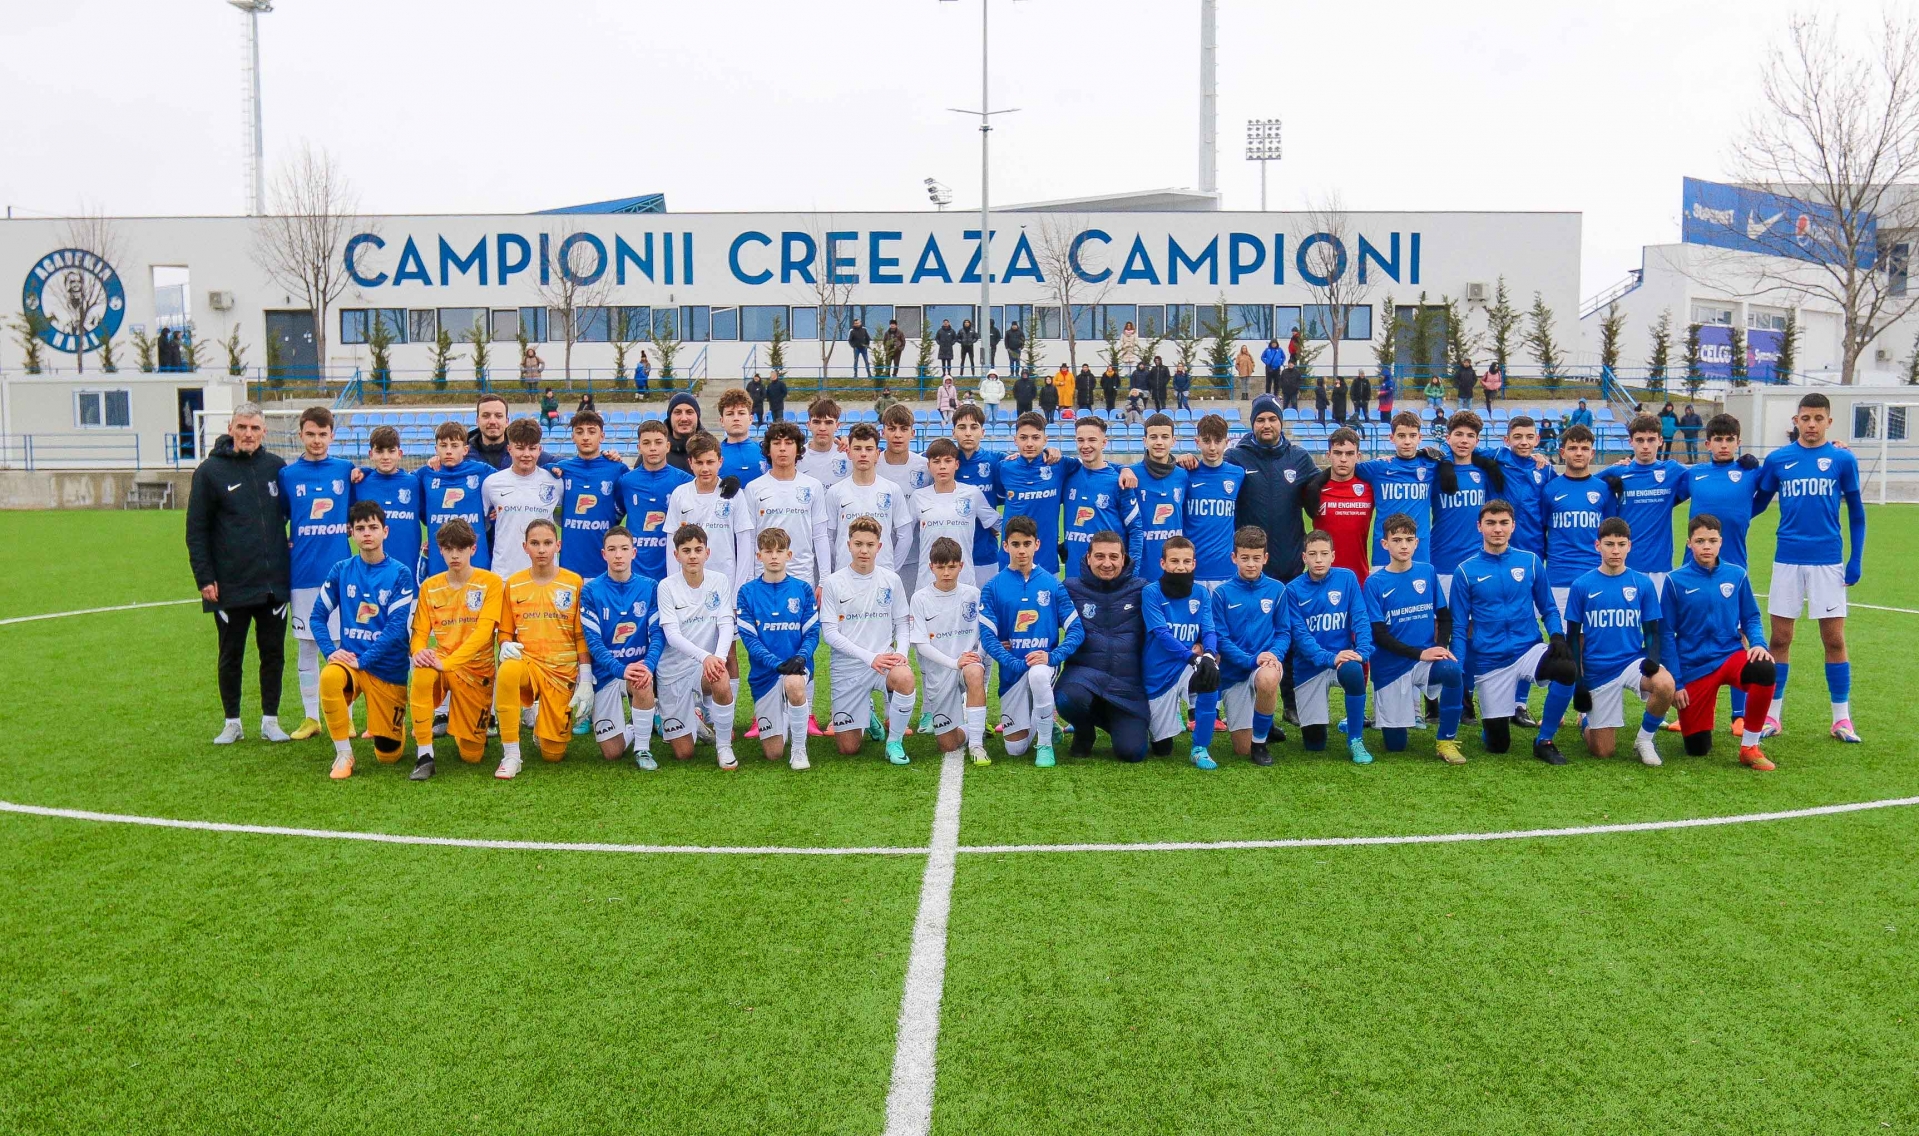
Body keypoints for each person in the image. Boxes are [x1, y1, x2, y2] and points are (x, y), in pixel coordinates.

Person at [1754, 391, 1866, 742]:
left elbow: (1857, 513)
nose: (1812, 425)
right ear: (1796, 421)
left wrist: (1855, 559)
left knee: (1833, 639)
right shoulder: (1778, 459)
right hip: (1787, 559)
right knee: (1779, 638)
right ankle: (1772, 716)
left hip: (1827, 561)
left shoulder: (1842, 459)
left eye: (1819, 419)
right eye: (1806, 418)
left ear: (1828, 422)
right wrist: (1727, 522)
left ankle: (1841, 719)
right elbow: (1756, 502)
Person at [186, 401, 293, 745]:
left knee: (273, 654)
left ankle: (270, 720)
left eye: (255, 428)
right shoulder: (209, 472)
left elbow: (293, 512)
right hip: (230, 584)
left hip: (272, 583)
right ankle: (232, 722)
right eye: (242, 427)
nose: (248, 433)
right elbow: (196, 529)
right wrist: (204, 577)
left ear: (264, 432)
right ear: (231, 428)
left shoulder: (276, 467)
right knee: (231, 655)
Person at [1531, 516, 1676, 767]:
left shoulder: (1642, 583)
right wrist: (1579, 685)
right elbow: (1573, 639)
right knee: (1603, 751)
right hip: (1598, 671)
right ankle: (1586, 720)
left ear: (1630, 546)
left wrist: (1653, 659)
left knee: (1665, 684)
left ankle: (1644, 740)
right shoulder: (1582, 585)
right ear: (1598, 545)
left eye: (1621, 544)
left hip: (1631, 662)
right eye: (1609, 544)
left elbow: (1653, 631)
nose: (1615, 550)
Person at [1447, 501, 1576, 759]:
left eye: (1504, 523)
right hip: (1490, 661)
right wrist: (1458, 671)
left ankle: (1545, 740)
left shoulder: (1530, 562)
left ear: (1513, 526)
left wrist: (1557, 636)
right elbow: (1459, 628)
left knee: (1566, 668)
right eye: (1491, 523)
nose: (1498, 529)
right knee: (1499, 746)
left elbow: (1549, 608)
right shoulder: (1465, 571)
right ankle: (1491, 726)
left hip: (1528, 649)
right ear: (1479, 526)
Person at [1660, 515, 1778, 769]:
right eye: (1700, 541)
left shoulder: (1736, 575)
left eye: (1712, 541)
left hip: (1729, 655)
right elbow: (1666, 633)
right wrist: (1677, 683)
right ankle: (1704, 712)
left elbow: (1751, 616)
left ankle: (1750, 747)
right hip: (1694, 666)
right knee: (1697, 749)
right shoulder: (1674, 581)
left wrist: (1758, 643)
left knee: (1764, 668)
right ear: (1689, 543)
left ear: (1721, 542)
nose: (1707, 546)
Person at [310, 501, 416, 780]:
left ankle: (388, 723)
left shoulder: (400, 573)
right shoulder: (341, 570)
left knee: (388, 756)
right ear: (351, 533)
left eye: (373, 527)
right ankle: (344, 754)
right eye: (360, 528)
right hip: (351, 664)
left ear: (385, 531)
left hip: (386, 669)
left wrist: (363, 660)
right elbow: (317, 617)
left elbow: (395, 629)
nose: (367, 533)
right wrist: (331, 652)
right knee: (330, 676)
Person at [979, 516, 1085, 766]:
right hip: (1012, 673)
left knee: (1038, 674)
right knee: (1015, 749)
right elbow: (988, 637)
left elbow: (1077, 630)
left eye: (1027, 544)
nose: (1021, 551)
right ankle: (1043, 721)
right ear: (1005, 546)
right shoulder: (993, 587)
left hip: (1044, 665)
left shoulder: (1052, 584)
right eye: (1015, 544)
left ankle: (1045, 745)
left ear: (1037, 544)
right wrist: (1014, 663)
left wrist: (1052, 656)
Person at [278, 405, 357, 740]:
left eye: (323, 434)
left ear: (332, 435)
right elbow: (280, 517)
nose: (316, 440)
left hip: (338, 574)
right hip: (302, 574)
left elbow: (361, 509)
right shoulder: (287, 475)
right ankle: (311, 717)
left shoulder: (345, 471)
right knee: (307, 647)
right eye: (310, 434)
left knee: (341, 645)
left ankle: (346, 717)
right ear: (300, 435)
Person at [491, 520, 591, 779]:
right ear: (525, 547)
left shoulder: (574, 582)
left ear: (558, 545)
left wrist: (585, 680)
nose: (542, 549)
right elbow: (505, 632)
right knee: (508, 671)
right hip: (528, 665)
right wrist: (505, 645)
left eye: (547, 543)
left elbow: (580, 635)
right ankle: (511, 755)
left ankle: (542, 722)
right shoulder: (514, 583)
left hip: (561, 672)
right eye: (535, 543)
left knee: (553, 754)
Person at [1363, 514, 1466, 762]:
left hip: (1424, 661)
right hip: (1390, 667)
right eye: (1397, 540)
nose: (1404, 545)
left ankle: (1446, 741)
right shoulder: (1374, 583)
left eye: (1409, 540)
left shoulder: (1427, 572)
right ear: (1384, 544)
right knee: (1395, 746)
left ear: (1417, 543)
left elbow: (1445, 617)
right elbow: (1379, 635)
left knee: (1452, 671)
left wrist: (1440, 647)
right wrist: (1420, 653)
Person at [407, 519, 502, 777]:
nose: (455, 555)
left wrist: (447, 662)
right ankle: (424, 755)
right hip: (442, 665)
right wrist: (419, 651)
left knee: (472, 756)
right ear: (440, 550)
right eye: (448, 549)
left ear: (473, 548)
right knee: (422, 670)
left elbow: (483, 634)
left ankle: (466, 725)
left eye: (461, 548)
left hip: (476, 672)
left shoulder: (491, 583)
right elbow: (418, 634)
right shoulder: (430, 586)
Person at [821, 516, 918, 763]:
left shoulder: (891, 580)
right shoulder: (833, 582)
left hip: (884, 662)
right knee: (848, 749)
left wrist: (901, 653)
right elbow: (830, 633)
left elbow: (902, 625)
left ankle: (894, 742)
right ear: (849, 545)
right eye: (858, 544)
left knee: (905, 677)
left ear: (879, 547)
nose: (864, 550)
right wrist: (869, 657)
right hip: (849, 667)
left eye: (870, 544)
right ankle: (866, 712)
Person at [1057, 531, 1152, 764]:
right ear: (1088, 558)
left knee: (1132, 752)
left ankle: (1119, 723)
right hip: (1084, 675)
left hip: (1127, 686)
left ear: (1123, 558)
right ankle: (1084, 730)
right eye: (1100, 556)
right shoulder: (1069, 588)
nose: (1107, 563)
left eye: (1113, 557)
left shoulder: (1143, 589)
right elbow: (1041, 619)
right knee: (1067, 699)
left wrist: (1199, 643)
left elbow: (1172, 619)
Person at [734, 526, 820, 769]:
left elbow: (812, 633)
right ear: (759, 556)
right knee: (773, 753)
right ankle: (783, 715)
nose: (774, 556)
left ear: (788, 555)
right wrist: (777, 664)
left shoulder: (802, 589)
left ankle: (799, 750)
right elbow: (750, 640)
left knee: (794, 683)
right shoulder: (746, 592)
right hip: (765, 674)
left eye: (779, 551)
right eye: (768, 551)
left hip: (797, 667)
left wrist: (801, 658)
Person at [655, 523, 740, 768]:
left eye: (698, 549)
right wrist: (706, 657)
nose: (692, 555)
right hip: (673, 671)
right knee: (684, 753)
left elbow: (726, 623)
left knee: (720, 676)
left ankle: (724, 747)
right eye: (686, 550)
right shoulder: (666, 586)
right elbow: (672, 635)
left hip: (704, 667)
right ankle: (691, 720)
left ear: (707, 553)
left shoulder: (719, 581)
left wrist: (718, 658)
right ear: (676, 555)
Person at [580, 526, 665, 768]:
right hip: (607, 673)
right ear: (603, 554)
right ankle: (637, 726)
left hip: (638, 669)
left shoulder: (650, 587)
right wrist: (620, 669)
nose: (618, 555)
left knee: (642, 679)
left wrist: (648, 665)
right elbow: (593, 643)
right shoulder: (590, 591)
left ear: (634, 553)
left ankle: (643, 749)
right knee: (612, 752)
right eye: (612, 549)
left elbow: (658, 635)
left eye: (624, 549)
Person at [1286, 530, 1374, 763]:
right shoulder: (1292, 590)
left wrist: (1362, 652)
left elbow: (1360, 619)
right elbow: (1301, 637)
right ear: (1304, 557)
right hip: (1310, 668)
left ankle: (1355, 739)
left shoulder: (1347, 578)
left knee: (1354, 670)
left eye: (1324, 554)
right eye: (1313, 554)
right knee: (1315, 744)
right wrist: (1329, 658)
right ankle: (1318, 725)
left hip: (1342, 661)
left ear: (1333, 556)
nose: (1319, 559)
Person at [1142, 537, 1223, 767]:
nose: (1181, 566)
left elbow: (1209, 629)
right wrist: (1193, 657)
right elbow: (1161, 634)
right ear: (1163, 563)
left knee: (1210, 676)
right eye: (1174, 561)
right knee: (1162, 749)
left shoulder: (1201, 593)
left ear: (1194, 564)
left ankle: (1200, 748)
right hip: (1159, 673)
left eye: (1186, 561)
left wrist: (1209, 655)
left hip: (1188, 664)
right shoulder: (1151, 592)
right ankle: (1169, 718)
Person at [910, 536, 991, 764]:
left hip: (968, 665)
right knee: (948, 745)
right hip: (941, 671)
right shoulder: (920, 599)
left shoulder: (973, 594)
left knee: (975, 670)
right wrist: (954, 663)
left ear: (961, 566)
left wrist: (976, 657)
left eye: (952, 567)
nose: (946, 572)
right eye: (941, 567)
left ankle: (977, 745)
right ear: (931, 567)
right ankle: (972, 728)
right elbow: (921, 645)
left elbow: (986, 633)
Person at [1212, 526, 1290, 763]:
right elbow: (1221, 640)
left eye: (1256, 558)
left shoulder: (1277, 589)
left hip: (1264, 664)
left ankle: (1260, 743)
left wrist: (1273, 655)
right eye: (1244, 558)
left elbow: (1284, 632)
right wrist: (1250, 660)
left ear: (1265, 558)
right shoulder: (1221, 593)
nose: (1251, 564)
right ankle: (1263, 722)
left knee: (1268, 677)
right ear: (1234, 557)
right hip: (1235, 672)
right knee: (1240, 750)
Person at [1601, 414, 1690, 597]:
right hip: (1624, 565)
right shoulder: (1617, 472)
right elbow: (1581, 484)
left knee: (1656, 616)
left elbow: (1705, 476)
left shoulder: (1672, 470)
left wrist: (1743, 466)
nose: (1645, 446)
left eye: (1651, 440)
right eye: (1640, 440)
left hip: (1660, 568)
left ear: (1660, 441)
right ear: (1630, 442)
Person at [664, 433, 756, 610]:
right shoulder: (680, 494)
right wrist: (674, 586)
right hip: (688, 584)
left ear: (720, 461)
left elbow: (744, 542)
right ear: (690, 463)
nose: (705, 468)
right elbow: (671, 545)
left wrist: (738, 590)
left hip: (726, 581)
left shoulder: (734, 495)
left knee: (725, 628)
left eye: (710, 462)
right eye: (699, 462)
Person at [743, 420, 834, 594]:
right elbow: (750, 539)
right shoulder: (754, 488)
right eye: (777, 443)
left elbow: (820, 535)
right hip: (764, 577)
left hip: (802, 577)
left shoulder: (813, 486)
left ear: (798, 449)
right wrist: (748, 579)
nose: (783, 448)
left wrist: (824, 580)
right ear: (768, 450)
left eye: (789, 443)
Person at [1541, 424, 1616, 619]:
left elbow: (1610, 533)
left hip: (1595, 574)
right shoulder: (1550, 489)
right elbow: (1541, 530)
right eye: (1573, 448)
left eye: (1584, 448)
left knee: (1596, 634)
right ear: (1562, 452)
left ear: (1592, 453)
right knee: (1562, 635)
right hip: (1559, 577)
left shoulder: (1604, 489)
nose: (1579, 453)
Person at [827, 423, 916, 576]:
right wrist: (840, 564)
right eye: (857, 448)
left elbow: (905, 536)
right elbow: (828, 537)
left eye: (869, 449)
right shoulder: (835, 492)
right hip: (844, 575)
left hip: (882, 575)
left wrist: (891, 570)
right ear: (849, 453)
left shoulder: (892, 490)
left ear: (877, 454)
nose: (863, 454)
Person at [481, 419, 562, 582]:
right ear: (509, 449)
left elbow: (562, 518)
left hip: (545, 575)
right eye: (519, 448)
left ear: (539, 450)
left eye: (532, 448)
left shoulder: (555, 482)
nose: (526, 454)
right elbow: (482, 523)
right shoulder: (492, 483)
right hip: (504, 574)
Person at [913, 437, 1001, 584]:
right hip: (927, 581)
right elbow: (904, 535)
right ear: (928, 465)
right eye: (936, 461)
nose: (942, 466)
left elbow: (998, 523)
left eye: (948, 461)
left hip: (964, 580)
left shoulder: (972, 494)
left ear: (957, 464)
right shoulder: (918, 497)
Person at [556, 410, 630, 583]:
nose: (585, 437)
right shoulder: (562, 469)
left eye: (591, 431)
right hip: (569, 567)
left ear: (602, 436)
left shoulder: (617, 469)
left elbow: (625, 506)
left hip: (604, 567)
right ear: (572, 437)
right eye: (579, 432)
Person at [616, 420, 694, 583]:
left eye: (658, 442)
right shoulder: (626, 482)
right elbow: (616, 515)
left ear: (667, 446)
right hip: (636, 571)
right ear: (638, 447)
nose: (652, 448)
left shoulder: (684, 481)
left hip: (672, 569)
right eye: (646, 443)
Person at [1060, 416, 1137, 578]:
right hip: (1074, 576)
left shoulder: (1119, 480)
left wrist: (1132, 573)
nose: (1085, 446)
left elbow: (1136, 530)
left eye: (1092, 440)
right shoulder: (1068, 476)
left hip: (1109, 575)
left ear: (1104, 443)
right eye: (1080, 440)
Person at [420, 422, 496, 577]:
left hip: (476, 561)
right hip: (439, 563)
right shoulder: (425, 474)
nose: (448, 451)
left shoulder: (481, 471)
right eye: (443, 446)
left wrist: (500, 508)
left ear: (465, 450)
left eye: (454, 446)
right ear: (436, 449)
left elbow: (510, 480)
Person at [1299, 427, 1373, 580]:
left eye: (1349, 453)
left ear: (1358, 456)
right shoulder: (1313, 489)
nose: (1343, 459)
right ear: (1328, 455)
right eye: (1338, 453)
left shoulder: (1370, 488)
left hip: (1359, 579)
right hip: (1322, 579)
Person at [351, 428, 422, 578]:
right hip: (370, 572)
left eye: (391, 451)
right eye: (379, 451)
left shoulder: (414, 483)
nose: (385, 457)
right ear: (371, 454)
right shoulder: (360, 483)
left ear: (400, 453)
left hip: (408, 568)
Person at [877, 405, 933, 596]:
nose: (897, 435)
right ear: (883, 432)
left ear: (913, 433)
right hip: (877, 557)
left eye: (904, 429)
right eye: (892, 429)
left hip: (915, 558)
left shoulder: (925, 467)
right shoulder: (872, 463)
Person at [1183, 414, 1243, 590]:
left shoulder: (1238, 474)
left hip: (1226, 570)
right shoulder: (1185, 473)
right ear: (1197, 441)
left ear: (1227, 442)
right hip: (1191, 569)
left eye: (1218, 441)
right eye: (1206, 441)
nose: (1212, 447)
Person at [949, 407, 1006, 585]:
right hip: (949, 556)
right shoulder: (944, 461)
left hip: (985, 554)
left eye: (974, 427)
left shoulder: (996, 461)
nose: (968, 433)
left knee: (987, 602)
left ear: (983, 432)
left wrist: (1048, 452)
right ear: (953, 432)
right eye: (962, 427)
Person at [1130, 414, 1189, 582]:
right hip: (1142, 567)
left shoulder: (1183, 475)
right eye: (1153, 437)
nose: (1159, 442)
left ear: (1173, 441)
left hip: (1175, 566)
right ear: (1145, 441)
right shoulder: (1131, 473)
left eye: (1165, 437)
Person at [715, 388, 770, 487]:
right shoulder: (713, 455)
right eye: (730, 414)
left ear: (750, 419)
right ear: (722, 421)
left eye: (741, 413)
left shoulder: (766, 452)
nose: (736, 418)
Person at [798, 398, 850, 486]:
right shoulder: (797, 457)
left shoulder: (849, 455)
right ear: (809, 425)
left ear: (837, 426)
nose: (822, 428)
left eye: (828, 423)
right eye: (816, 422)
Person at [664, 391, 703, 472]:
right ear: (670, 418)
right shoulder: (655, 452)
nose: (684, 418)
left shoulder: (712, 449)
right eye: (678, 412)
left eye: (689, 412)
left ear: (697, 416)